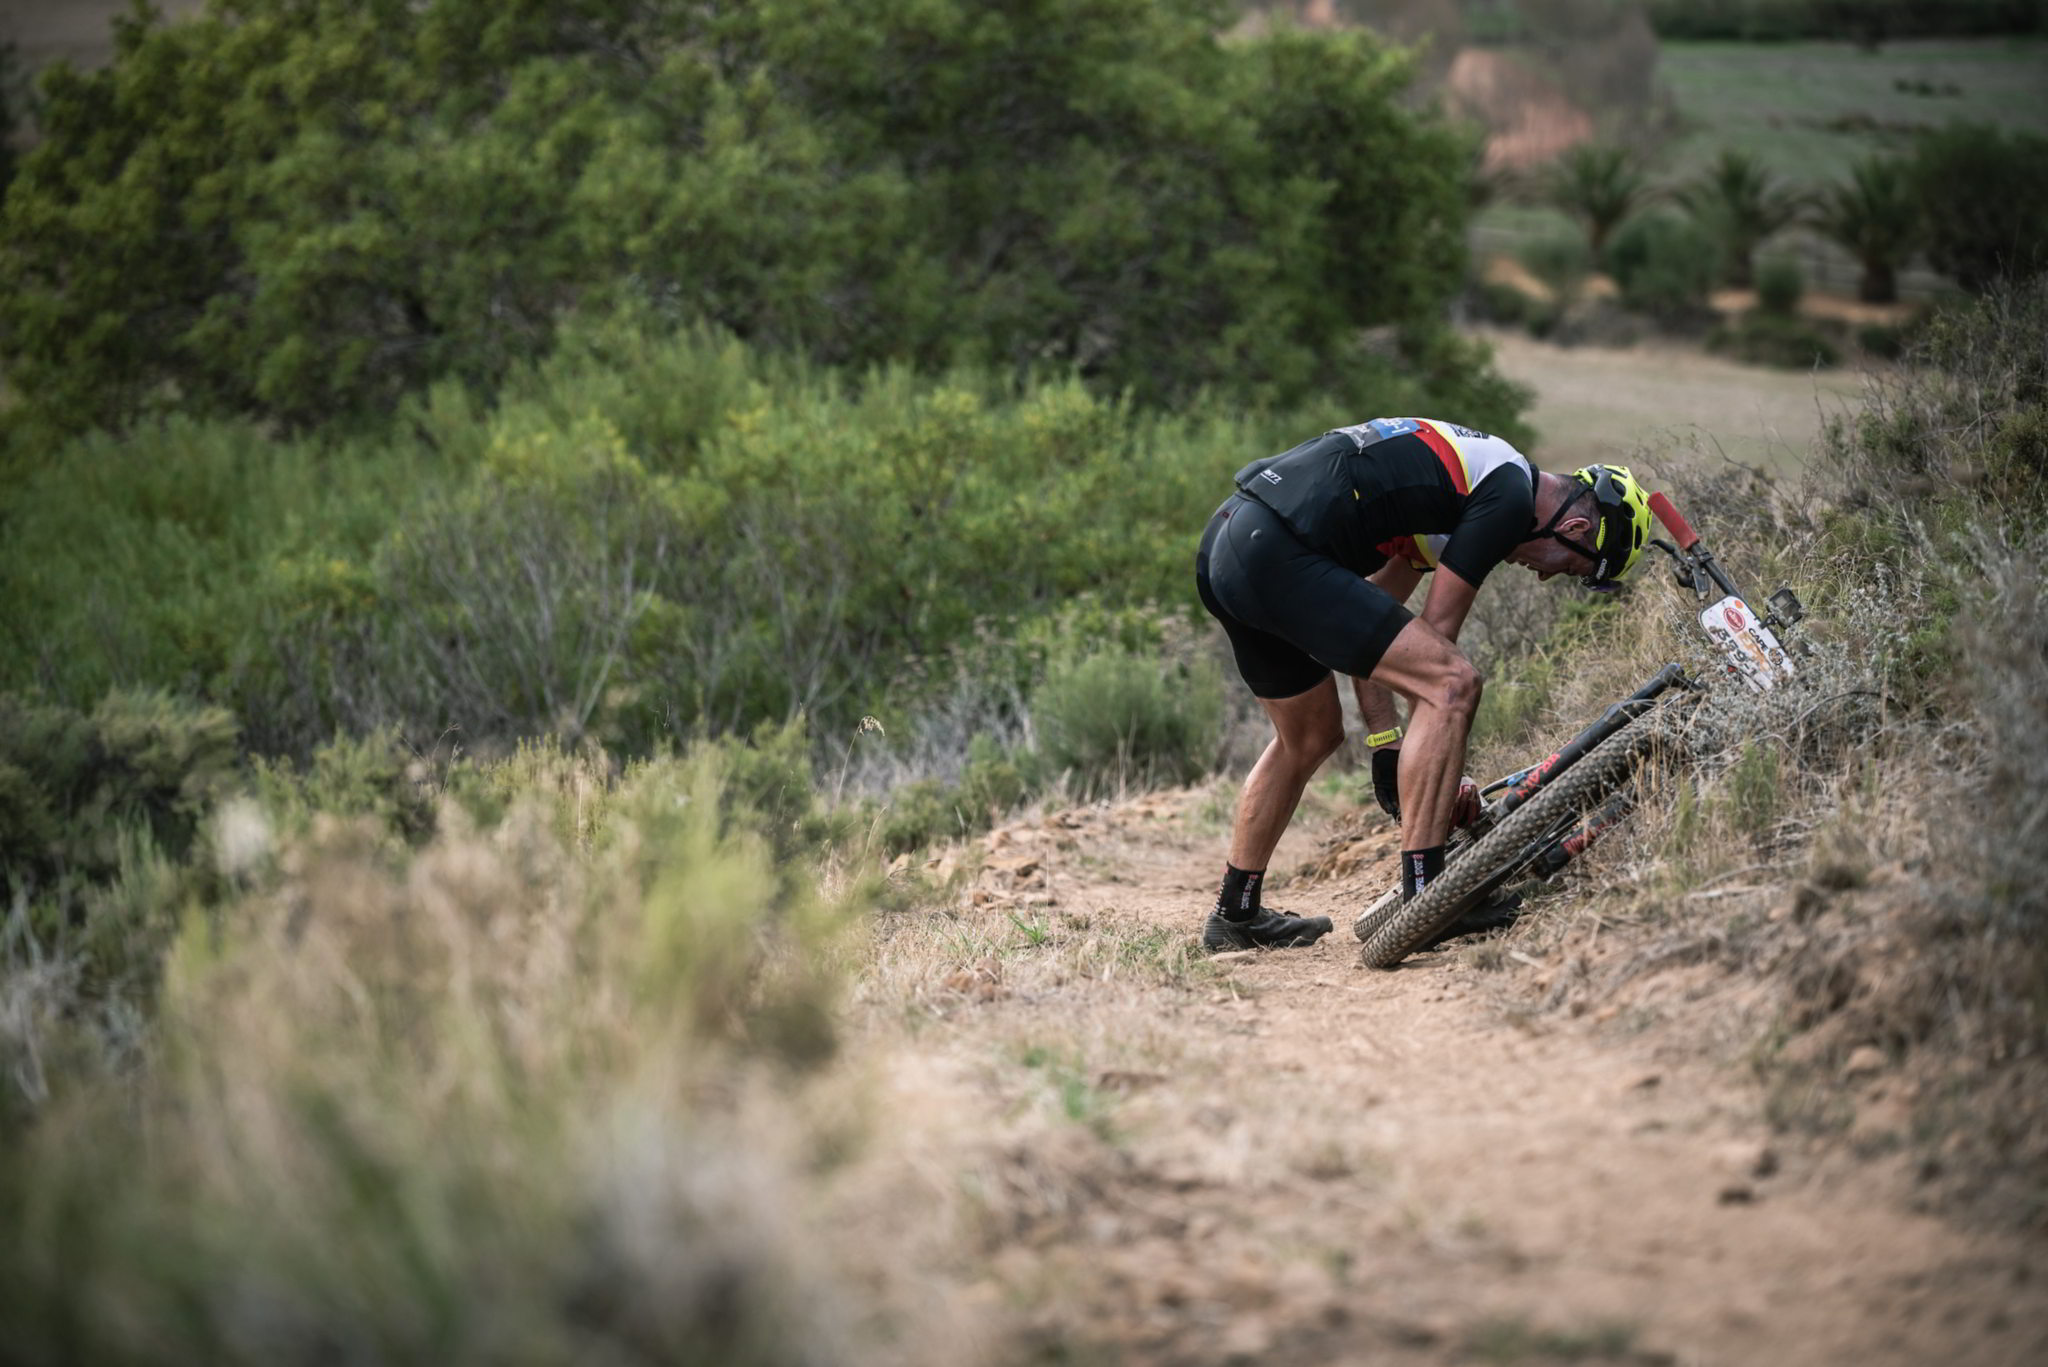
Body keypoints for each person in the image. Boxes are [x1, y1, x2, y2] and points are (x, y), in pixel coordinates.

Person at [1193, 417, 1651, 952]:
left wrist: (1388, 744)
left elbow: (1383, 617)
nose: (1548, 576)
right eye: (1574, 568)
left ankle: (1235, 916)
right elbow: (1437, 657)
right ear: (1573, 531)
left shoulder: (1464, 491)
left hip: (1230, 543)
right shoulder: (1507, 495)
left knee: (1310, 735)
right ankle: (1427, 896)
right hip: (1276, 550)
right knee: (1454, 682)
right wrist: (1447, 776)